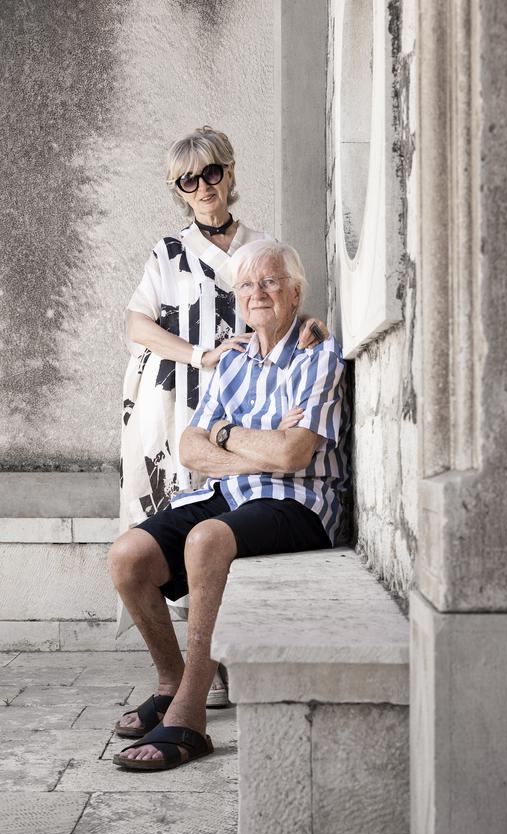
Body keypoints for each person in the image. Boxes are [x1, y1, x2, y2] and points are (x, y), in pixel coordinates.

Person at [108, 240, 347, 770]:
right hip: (229, 493)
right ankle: (171, 682)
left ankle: (190, 715)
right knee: (127, 557)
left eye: (270, 282)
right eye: (246, 285)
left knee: (207, 539)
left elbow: (293, 455)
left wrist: (226, 437)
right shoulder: (234, 360)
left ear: (295, 293)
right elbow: (190, 447)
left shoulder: (318, 354)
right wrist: (251, 443)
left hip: (299, 502)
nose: (257, 293)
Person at [119, 125, 327, 715]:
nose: (203, 186)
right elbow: (137, 324)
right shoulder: (169, 251)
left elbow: (287, 306)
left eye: (212, 172)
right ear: (178, 189)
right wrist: (199, 355)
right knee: (178, 517)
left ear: (229, 174)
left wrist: (316, 328)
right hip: (181, 400)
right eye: (189, 180)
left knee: (226, 523)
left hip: (247, 399)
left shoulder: (262, 245)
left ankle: (220, 666)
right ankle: (188, 677)